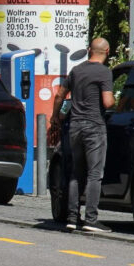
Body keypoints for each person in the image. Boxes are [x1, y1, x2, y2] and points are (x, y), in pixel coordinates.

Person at [49, 37, 115, 233]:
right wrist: (118, 102)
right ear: (108, 50)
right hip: (94, 127)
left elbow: (60, 94)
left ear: (89, 50)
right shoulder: (104, 73)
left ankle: (71, 217)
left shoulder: (76, 70)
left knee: (76, 173)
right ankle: (91, 220)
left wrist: (55, 117)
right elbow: (107, 102)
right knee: (95, 174)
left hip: (75, 127)